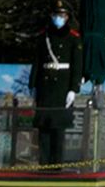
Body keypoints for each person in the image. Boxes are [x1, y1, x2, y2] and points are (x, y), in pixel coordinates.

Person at [29, 9, 78, 166]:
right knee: (44, 128)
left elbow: (77, 65)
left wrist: (73, 88)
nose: (58, 18)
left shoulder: (73, 38)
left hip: (61, 87)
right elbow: (37, 62)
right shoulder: (44, 36)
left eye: (62, 16)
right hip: (45, 86)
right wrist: (33, 84)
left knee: (58, 129)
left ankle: (57, 165)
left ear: (67, 17)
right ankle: (43, 164)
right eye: (56, 15)